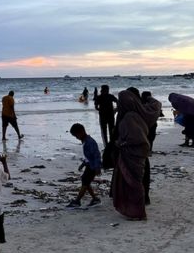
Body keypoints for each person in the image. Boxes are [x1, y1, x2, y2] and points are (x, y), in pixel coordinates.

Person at [111, 90, 161, 220]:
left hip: (133, 154)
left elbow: (136, 138)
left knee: (134, 182)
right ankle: (134, 208)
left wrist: (120, 143)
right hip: (137, 153)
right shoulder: (139, 114)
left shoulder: (130, 117)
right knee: (133, 181)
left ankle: (138, 211)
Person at [66, 123, 102, 208]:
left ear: (81, 132)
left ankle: (77, 201)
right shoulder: (86, 141)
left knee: (85, 182)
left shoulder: (90, 142)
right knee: (85, 181)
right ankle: (95, 199)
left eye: (76, 135)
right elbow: (88, 157)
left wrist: (97, 167)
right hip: (89, 165)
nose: (76, 138)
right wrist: (82, 164)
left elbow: (96, 155)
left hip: (93, 166)